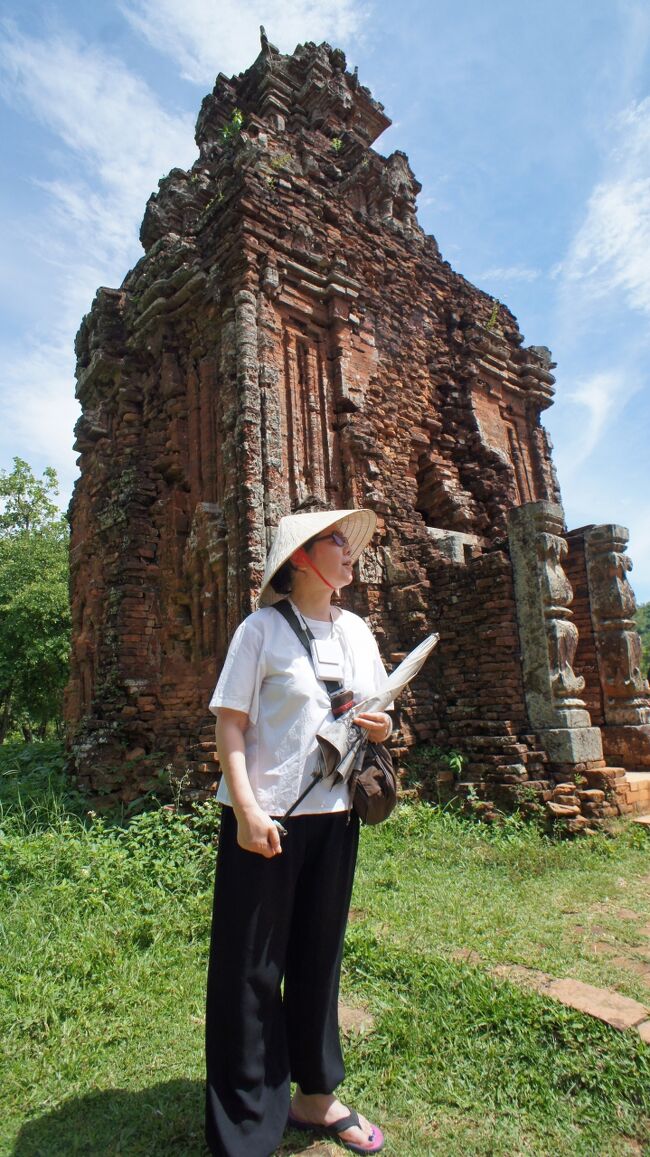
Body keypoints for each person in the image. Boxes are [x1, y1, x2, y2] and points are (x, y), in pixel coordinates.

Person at [205, 502, 391, 1157]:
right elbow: (230, 723)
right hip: (268, 821)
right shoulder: (259, 631)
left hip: (336, 820)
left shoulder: (358, 633)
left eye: (348, 541)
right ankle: (248, 1125)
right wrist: (249, 809)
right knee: (250, 971)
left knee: (319, 961)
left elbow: (374, 714)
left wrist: (383, 728)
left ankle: (315, 1095)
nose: (350, 551)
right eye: (337, 542)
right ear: (303, 558)